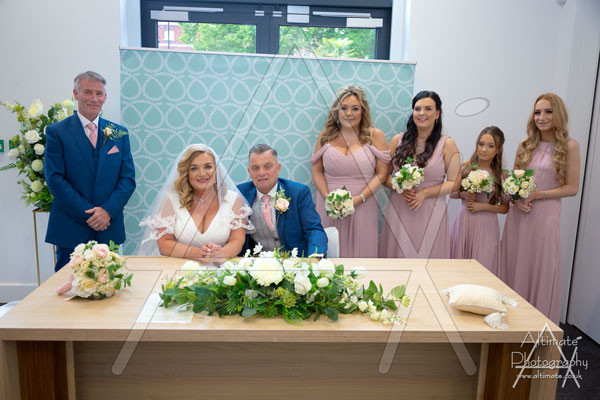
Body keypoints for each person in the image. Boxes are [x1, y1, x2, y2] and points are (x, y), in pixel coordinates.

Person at [500, 93, 580, 323]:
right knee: (515, 265)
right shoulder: (525, 145)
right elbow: (514, 181)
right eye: (537, 112)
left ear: (559, 115)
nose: (541, 117)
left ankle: (536, 328)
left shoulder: (570, 146)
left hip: (546, 216)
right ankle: (510, 325)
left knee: (540, 268)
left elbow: (572, 188)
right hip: (519, 216)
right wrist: (516, 199)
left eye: (548, 112)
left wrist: (538, 194)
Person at [44, 71, 136, 271]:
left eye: (99, 93)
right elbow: (55, 179)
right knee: (70, 284)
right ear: (76, 94)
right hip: (71, 227)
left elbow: (127, 179)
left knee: (110, 282)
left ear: (105, 97)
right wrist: (89, 215)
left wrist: (107, 211)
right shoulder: (56, 132)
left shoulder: (119, 133)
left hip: (108, 227)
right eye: (88, 92)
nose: (94, 98)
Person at [379, 90, 460, 258]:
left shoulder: (447, 144)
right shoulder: (397, 141)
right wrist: (399, 188)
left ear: (437, 114)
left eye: (428, 109)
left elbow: (454, 183)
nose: (422, 113)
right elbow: (384, 176)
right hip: (400, 208)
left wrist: (425, 193)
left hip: (430, 211)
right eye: (417, 109)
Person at [138, 144, 253, 262]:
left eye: (208, 167)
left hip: (218, 266)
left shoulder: (233, 200)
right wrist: (197, 253)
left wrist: (220, 254)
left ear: (216, 170)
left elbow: (237, 240)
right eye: (194, 168)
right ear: (186, 173)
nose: (202, 173)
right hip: (176, 267)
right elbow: (164, 244)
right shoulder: (171, 199)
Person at [310, 85, 389, 257]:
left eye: (355, 108)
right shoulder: (325, 136)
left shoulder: (375, 136)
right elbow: (317, 171)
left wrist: (359, 199)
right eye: (344, 108)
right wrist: (327, 198)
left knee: (361, 255)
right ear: (336, 111)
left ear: (363, 111)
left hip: (363, 204)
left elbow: (382, 174)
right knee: (328, 254)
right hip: (329, 205)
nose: (349, 113)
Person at [238, 144, 327, 256]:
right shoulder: (240, 194)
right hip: (256, 262)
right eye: (256, 168)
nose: (261, 173)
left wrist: (315, 255)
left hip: (295, 261)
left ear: (278, 168)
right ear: (249, 172)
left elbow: (313, 230)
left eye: (267, 166)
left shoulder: (298, 193)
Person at [450, 126, 508, 274]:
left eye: (490, 146)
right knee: (460, 268)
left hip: (486, 226)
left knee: (484, 267)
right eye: (481, 144)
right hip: (465, 221)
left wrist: (483, 206)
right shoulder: (466, 167)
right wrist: (463, 195)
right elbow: (451, 193)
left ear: (499, 149)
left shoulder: (501, 174)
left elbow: (504, 208)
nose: (483, 150)